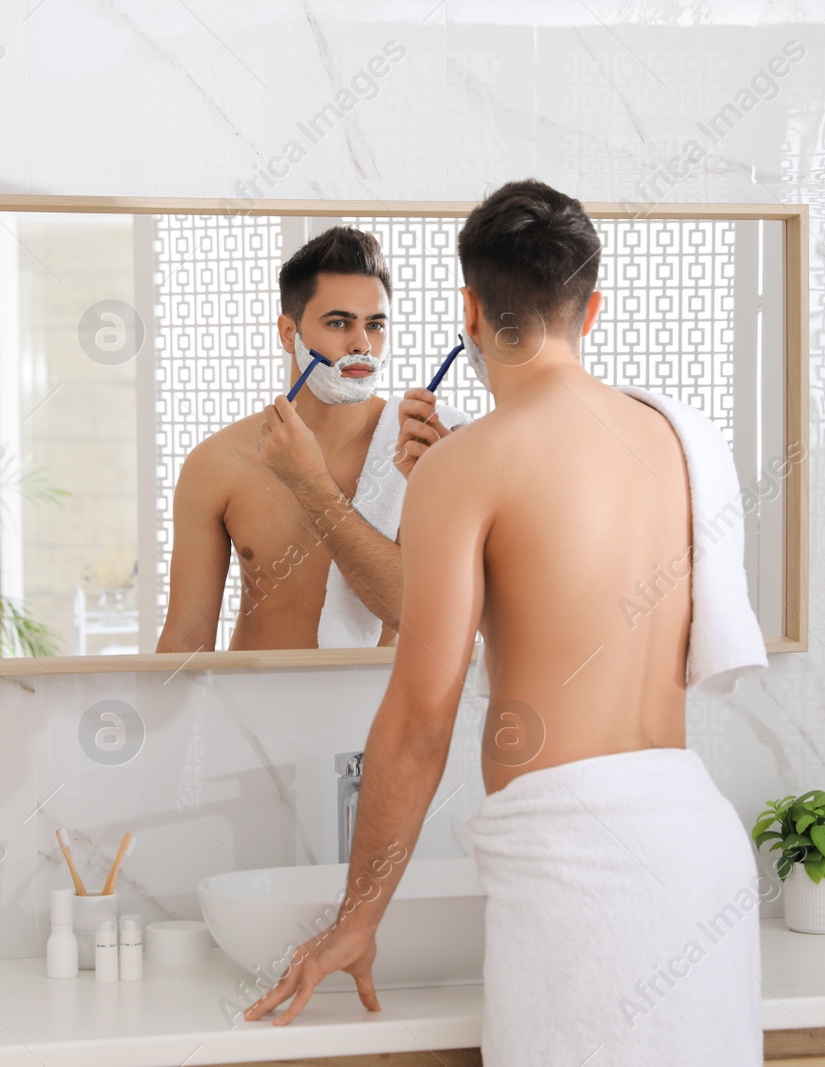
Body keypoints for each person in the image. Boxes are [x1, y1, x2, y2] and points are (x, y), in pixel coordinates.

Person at [243, 180, 767, 1065]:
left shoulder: (466, 466)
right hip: (700, 850)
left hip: (582, 875)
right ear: (590, 307)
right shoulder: (678, 440)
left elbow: (417, 723)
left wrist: (356, 920)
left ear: (471, 309)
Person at [157, 225, 468, 653]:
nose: (362, 345)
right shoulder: (218, 462)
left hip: (375, 712)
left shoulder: (426, 445)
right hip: (254, 713)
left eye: (375, 325)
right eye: (338, 322)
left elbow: (419, 609)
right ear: (289, 334)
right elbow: (185, 637)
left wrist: (310, 482)